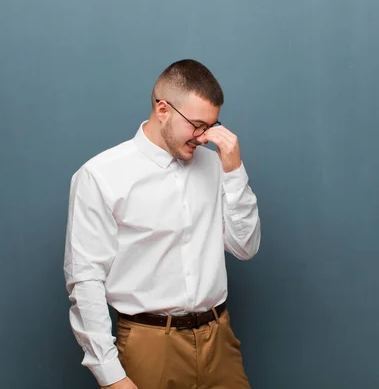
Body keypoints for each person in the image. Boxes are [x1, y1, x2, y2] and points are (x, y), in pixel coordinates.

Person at [64, 59, 261, 388]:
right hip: (148, 345)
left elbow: (245, 248)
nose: (204, 137)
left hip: (219, 342)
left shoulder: (217, 166)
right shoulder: (101, 175)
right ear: (163, 109)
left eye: (211, 125)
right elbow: (85, 280)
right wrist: (110, 374)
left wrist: (234, 171)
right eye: (197, 125)